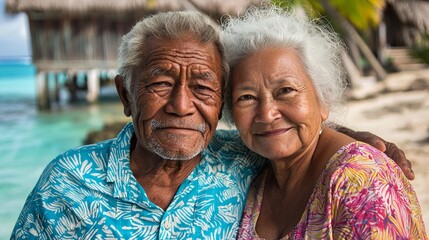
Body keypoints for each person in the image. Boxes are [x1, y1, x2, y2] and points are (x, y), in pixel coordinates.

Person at [11, 10, 415, 240]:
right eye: (160, 83)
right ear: (125, 95)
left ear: (217, 101)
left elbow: (298, 141)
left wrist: (352, 144)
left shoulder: (240, 160)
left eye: (202, 87)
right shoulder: (66, 182)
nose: (182, 105)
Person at [221, 6, 427, 239]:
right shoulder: (249, 171)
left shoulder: (361, 182)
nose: (267, 114)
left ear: (323, 99)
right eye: (246, 97)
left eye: (286, 91)